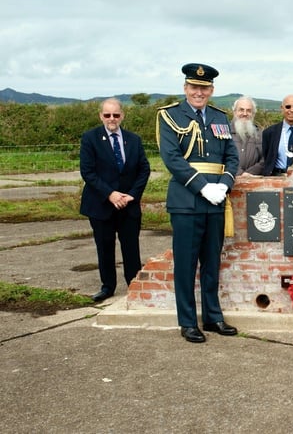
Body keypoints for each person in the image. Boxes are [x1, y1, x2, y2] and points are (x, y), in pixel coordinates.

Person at [157, 63, 239, 343]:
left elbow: (232, 156)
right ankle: (188, 321)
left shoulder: (220, 117)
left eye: (204, 88)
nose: (199, 92)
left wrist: (224, 184)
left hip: (216, 200)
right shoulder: (169, 116)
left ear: (211, 90)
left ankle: (213, 317)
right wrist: (203, 187)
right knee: (185, 264)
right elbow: (172, 158)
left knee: (212, 263)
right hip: (186, 202)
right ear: (185, 88)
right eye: (194, 87)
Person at [80, 98, 151, 302]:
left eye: (116, 115)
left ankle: (134, 284)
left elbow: (144, 169)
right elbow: (88, 171)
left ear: (122, 115)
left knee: (131, 247)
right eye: (107, 115)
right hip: (101, 204)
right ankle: (108, 286)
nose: (112, 119)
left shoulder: (134, 140)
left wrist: (133, 194)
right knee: (105, 246)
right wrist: (110, 194)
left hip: (128, 204)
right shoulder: (90, 138)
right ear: (101, 116)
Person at [231, 96, 264, 176]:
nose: (245, 114)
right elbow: (220, 157)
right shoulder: (225, 133)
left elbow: (266, 159)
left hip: (253, 180)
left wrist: (249, 173)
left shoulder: (260, 135)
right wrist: (240, 173)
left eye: (249, 111)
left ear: (253, 114)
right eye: (241, 110)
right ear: (235, 112)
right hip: (229, 181)